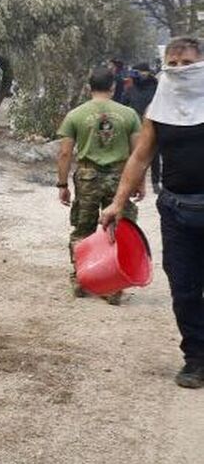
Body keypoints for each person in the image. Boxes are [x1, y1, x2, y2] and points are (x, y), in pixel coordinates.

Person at [101, 37, 204, 389]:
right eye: (172, 65)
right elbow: (140, 157)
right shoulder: (159, 108)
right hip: (176, 210)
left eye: (187, 63)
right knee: (184, 289)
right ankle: (196, 359)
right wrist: (117, 202)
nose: (179, 71)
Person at [56, 65, 143, 304]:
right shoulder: (129, 115)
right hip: (120, 179)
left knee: (82, 230)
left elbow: (64, 153)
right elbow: (138, 154)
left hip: (87, 178)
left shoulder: (75, 115)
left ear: (88, 87)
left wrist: (62, 185)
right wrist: (140, 183)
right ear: (113, 87)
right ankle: (113, 286)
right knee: (119, 230)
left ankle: (81, 279)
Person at [124, 63, 162, 193]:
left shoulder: (157, 87)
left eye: (140, 72)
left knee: (154, 155)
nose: (137, 75)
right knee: (134, 155)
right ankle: (133, 183)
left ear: (147, 72)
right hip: (134, 127)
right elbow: (123, 105)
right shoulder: (131, 89)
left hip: (153, 125)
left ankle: (156, 182)